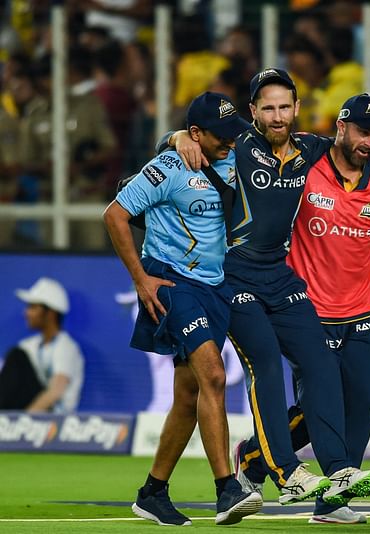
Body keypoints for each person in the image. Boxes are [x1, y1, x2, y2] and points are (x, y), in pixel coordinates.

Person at [165, 69, 370, 508]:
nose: (277, 116)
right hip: (233, 274)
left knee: (321, 366)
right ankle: (284, 473)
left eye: (285, 107)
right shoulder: (238, 144)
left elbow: (354, 145)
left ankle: (337, 470)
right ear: (253, 112)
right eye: (268, 108)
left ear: (297, 108)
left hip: (279, 275)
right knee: (267, 368)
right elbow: (196, 136)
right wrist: (176, 136)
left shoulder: (311, 149)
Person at [230, 94, 370, 524]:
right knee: (323, 406)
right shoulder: (308, 162)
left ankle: (326, 498)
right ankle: (277, 462)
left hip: (360, 311)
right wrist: (177, 137)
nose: (369, 141)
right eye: (363, 131)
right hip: (306, 308)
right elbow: (260, 139)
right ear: (340, 127)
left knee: (360, 405)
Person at [103, 91, 262, 526]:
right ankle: (227, 489)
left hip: (214, 285)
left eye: (235, 133)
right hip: (172, 281)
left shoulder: (232, 154)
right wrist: (141, 279)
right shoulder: (168, 167)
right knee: (213, 374)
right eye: (222, 135)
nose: (232, 141)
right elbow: (115, 216)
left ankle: (152, 492)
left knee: (190, 394)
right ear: (196, 133)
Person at [0, 277, 84, 413]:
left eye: (33, 307)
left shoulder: (66, 347)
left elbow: (56, 391)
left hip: (54, 420)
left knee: (17, 357)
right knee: (16, 356)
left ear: (50, 313)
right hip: (28, 413)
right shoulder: (28, 345)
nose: (26, 313)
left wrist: (24, 421)